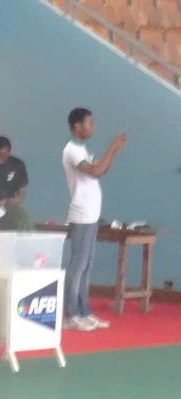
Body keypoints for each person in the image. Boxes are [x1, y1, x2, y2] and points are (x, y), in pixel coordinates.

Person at [62, 107, 126, 331]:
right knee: (78, 265)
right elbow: (95, 171)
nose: (93, 127)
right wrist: (111, 147)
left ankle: (84, 312)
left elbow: (102, 169)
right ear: (77, 126)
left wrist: (114, 152)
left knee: (86, 266)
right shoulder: (72, 150)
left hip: (91, 214)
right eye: (89, 123)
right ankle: (71, 315)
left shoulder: (81, 148)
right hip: (81, 214)